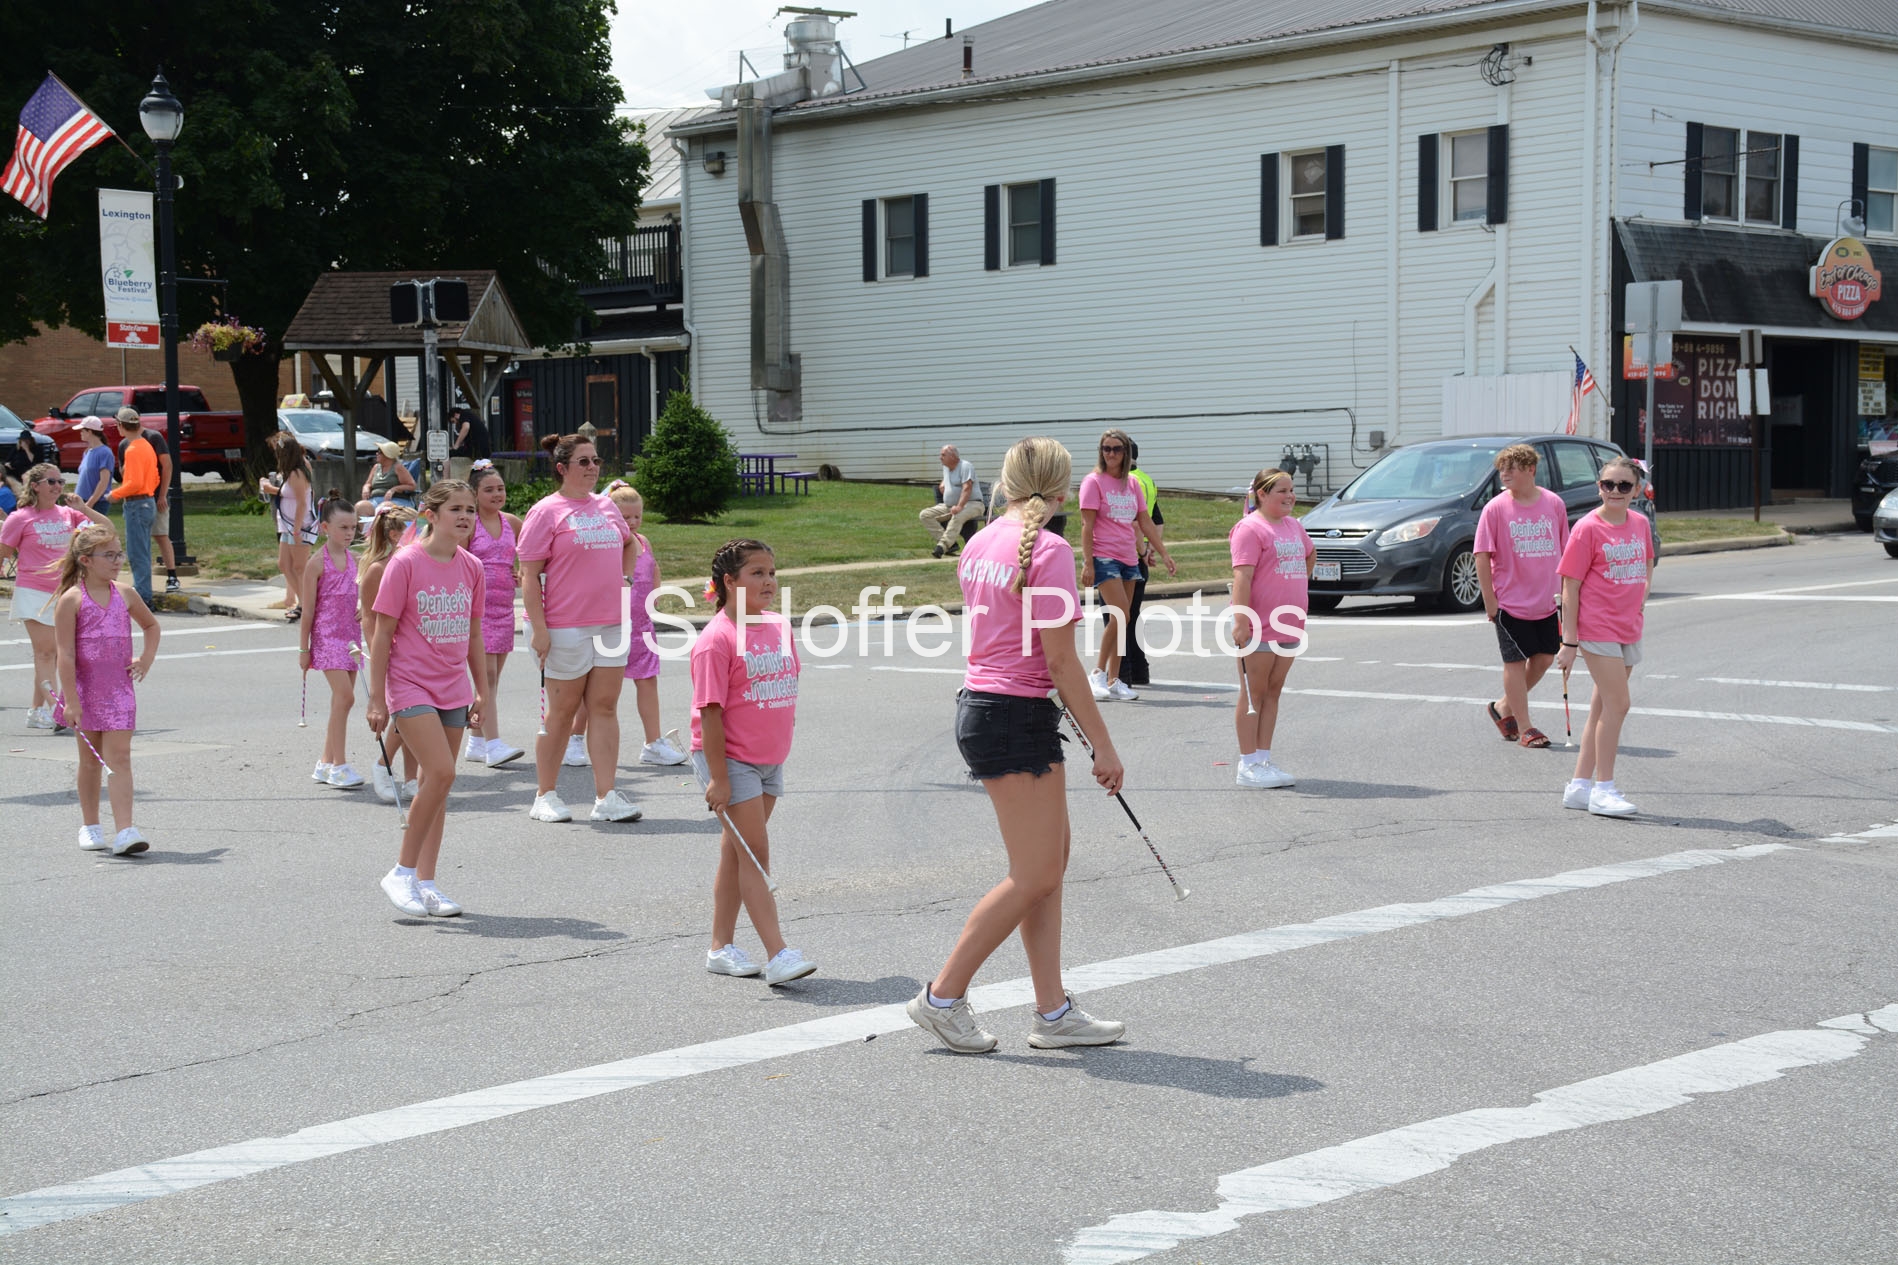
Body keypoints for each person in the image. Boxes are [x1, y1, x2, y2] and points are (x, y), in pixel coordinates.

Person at [907, 436, 1127, 1054]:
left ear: (1006, 482)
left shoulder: (979, 540)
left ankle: (1053, 1013)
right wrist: (1104, 746)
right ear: (1060, 488)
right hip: (1010, 715)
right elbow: (1061, 662)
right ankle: (941, 998)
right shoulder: (1048, 550)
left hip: (994, 709)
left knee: (1047, 870)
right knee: (1035, 873)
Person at [692, 538, 816, 985]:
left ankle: (720, 947)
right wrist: (719, 779)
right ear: (729, 581)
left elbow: (788, 682)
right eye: (757, 573)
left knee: (737, 852)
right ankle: (778, 953)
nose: (769, 581)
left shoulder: (779, 625)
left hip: (768, 759)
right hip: (730, 760)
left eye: (772, 573)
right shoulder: (716, 640)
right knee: (756, 854)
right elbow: (710, 714)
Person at [367, 480, 489, 917]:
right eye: (456, 509)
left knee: (436, 787)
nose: (465, 516)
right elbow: (382, 634)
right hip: (410, 685)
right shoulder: (405, 563)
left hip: (453, 686)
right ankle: (401, 872)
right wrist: (377, 698)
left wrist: (482, 690)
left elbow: (473, 634)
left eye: (470, 509)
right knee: (441, 772)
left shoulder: (473, 566)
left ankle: (427, 883)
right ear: (431, 515)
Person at [520, 432, 642, 824]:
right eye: (584, 461)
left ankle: (606, 796)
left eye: (596, 461)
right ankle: (545, 795)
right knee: (562, 712)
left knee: (604, 707)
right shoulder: (546, 512)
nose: (592, 468)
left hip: (610, 624)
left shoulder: (606, 506)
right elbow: (528, 575)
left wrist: (625, 580)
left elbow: (631, 543)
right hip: (563, 626)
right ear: (562, 468)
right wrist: (540, 630)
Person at [52, 522, 161, 855]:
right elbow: (65, 654)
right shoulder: (71, 600)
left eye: (119, 554)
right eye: (109, 555)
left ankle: (126, 831)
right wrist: (71, 701)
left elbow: (151, 625)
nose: (117, 561)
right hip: (84, 691)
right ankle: (90, 825)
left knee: (120, 758)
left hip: (119, 691)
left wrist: (146, 658)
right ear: (86, 560)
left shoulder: (125, 593)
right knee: (90, 762)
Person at [1555, 455, 1653, 818]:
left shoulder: (1639, 523)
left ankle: (1579, 787)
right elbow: (1570, 586)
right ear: (1599, 487)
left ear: (1637, 490)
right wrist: (1569, 642)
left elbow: (1647, 563)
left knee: (1602, 708)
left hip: (1628, 626)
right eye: (1607, 484)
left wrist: (1640, 599)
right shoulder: (1587, 528)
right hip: (1597, 628)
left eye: (1623, 485)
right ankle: (1604, 789)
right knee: (1618, 705)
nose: (1615, 491)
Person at [578, 482, 688, 767]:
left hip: (641, 627)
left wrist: (655, 595)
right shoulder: (606, 543)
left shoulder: (643, 541)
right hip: (610, 625)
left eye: (637, 516)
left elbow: (653, 568)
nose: (632, 522)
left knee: (648, 681)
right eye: (625, 517)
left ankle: (653, 742)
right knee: (594, 688)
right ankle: (574, 739)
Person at [1474, 444, 1569, 750]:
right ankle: (1525, 727)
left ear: (1531, 469)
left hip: (1547, 601)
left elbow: (1565, 550)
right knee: (1514, 662)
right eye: (1502, 468)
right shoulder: (1495, 509)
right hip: (1510, 602)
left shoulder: (1553, 504)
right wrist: (1490, 601)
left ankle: (1503, 706)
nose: (1505, 474)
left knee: (1544, 658)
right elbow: (1481, 555)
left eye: (1511, 468)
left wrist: (1567, 593)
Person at [2, 465, 110, 729]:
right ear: (35, 486)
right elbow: (3, 552)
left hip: (65, 593)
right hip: (33, 591)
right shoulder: (20, 518)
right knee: (46, 652)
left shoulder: (68, 514)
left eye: (60, 481)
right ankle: (56, 709)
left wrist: (84, 508)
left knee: (53, 654)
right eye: (51, 481)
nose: (58, 486)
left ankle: (36, 711)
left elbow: (107, 531)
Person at [1229, 466, 1313, 789]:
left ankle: (1263, 759)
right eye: (1282, 491)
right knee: (1254, 694)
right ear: (1262, 494)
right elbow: (1242, 576)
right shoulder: (1250, 529)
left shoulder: (1294, 526)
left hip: (1289, 623)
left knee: (1274, 691)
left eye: (1291, 490)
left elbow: (1310, 554)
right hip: (1259, 626)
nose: (1290, 496)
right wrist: (1241, 620)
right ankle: (1247, 763)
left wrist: (1293, 584)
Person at [1080, 428, 1174, 701]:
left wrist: (1162, 553)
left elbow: (1145, 521)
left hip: (1129, 557)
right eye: (1106, 449)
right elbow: (1086, 525)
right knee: (1119, 614)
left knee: (1124, 618)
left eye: (1116, 449)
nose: (1111, 454)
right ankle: (1097, 673)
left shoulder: (1132, 484)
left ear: (1126, 453)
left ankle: (1114, 679)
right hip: (1104, 556)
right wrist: (1088, 563)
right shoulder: (1093, 482)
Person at [462, 461, 527, 768]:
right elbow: (457, 561)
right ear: (475, 494)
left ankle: (476, 741)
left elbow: (529, 556)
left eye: (500, 488)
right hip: (478, 610)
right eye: (489, 490)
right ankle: (493, 744)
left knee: (492, 680)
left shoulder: (512, 522)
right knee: (485, 678)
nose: (497, 494)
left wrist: (520, 573)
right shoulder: (469, 524)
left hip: (504, 608)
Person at [300, 495, 366, 788]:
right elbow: (308, 612)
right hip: (327, 639)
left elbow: (362, 596)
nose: (350, 533)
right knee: (346, 697)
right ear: (325, 528)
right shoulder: (316, 564)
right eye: (343, 527)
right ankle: (340, 765)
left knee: (341, 702)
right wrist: (304, 649)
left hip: (351, 638)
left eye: (353, 527)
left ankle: (325, 763)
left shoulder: (357, 561)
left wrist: (364, 608)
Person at [359, 504, 420, 806]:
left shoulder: (418, 565)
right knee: (407, 713)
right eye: (415, 531)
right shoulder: (379, 569)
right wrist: (377, 651)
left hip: (417, 649)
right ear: (395, 535)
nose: (422, 535)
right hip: (392, 651)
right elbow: (369, 618)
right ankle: (383, 764)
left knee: (417, 712)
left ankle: (412, 779)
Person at [113, 408, 180, 593]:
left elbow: (167, 466)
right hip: (136, 498)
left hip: (153, 496)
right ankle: (144, 586)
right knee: (140, 545)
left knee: (160, 535)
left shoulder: (153, 437)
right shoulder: (124, 445)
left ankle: (171, 576)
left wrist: (162, 495)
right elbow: (124, 473)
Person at [258, 432, 317, 623]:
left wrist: (298, 529)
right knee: (284, 564)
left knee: (299, 566)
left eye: (278, 452)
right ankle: (302, 601)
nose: (276, 455)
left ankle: (306, 605)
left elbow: (302, 503)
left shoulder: (297, 473)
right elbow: (288, 495)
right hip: (287, 524)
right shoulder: (289, 472)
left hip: (298, 525)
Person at [1121, 439, 1163, 688]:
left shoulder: (1126, 481)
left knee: (1119, 616)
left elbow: (1135, 522)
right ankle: (1139, 670)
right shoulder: (1148, 480)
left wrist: (1143, 549)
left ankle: (1123, 671)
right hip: (1142, 554)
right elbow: (1157, 519)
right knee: (1133, 615)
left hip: (1128, 553)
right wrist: (1151, 549)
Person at [109, 409, 161, 606]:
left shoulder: (132, 450)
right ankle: (143, 593)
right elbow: (155, 477)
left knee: (137, 553)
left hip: (137, 504)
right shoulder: (146, 445)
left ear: (121, 426)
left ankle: (143, 598)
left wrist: (114, 494)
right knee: (142, 551)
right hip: (148, 502)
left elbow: (134, 483)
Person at [919, 444, 983, 559]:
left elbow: (967, 487)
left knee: (958, 515)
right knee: (925, 515)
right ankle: (951, 545)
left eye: (943, 455)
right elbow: (948, 480)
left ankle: (942, 547)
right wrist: (943, 484)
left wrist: (959, 506)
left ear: (953, 456)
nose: (940, 457)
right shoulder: (946, 468)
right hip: (950, 505)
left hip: (973, 504)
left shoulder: (965, 466)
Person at [355, 441, 418, 517]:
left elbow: (412, 486)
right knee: (360, 507)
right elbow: (368, 483)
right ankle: (368, 525)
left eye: (379, 452)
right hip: (375, 500)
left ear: (387, 455)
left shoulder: (398, 467)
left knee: (384, 507)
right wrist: (365, 489)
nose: (376, 453)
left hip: (395, 500)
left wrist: (394, 489)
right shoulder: (376, 467)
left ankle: (379, 524)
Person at [75, 417, 115, 511]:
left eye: (82, 430)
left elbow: (103, 482)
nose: (80, 433)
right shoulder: (87, 452)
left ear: (89, 432)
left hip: (97, 504)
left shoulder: (105, 452)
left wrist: (90, 503)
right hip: (82, 501)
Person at [448, 406, 491, 482]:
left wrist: (456, 446)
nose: (456, 423)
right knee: (479, 473)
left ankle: (446, 479)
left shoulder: (464, 415)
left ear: (455, 415)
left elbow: (466, 428)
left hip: (476, 450)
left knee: (448, 454)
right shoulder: (470, 415)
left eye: (454, 421)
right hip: (482, 450)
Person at [2, 429, 35, 502]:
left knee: (25, 476)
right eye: (23, 440)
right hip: (14, 469)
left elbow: (32, 461)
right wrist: (8, 464)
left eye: (26, 440)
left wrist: (26, 449)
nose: (24, 442)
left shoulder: (35, 449)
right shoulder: (16, 449)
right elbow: (7, 460)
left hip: (26, 469)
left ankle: (26, 495)